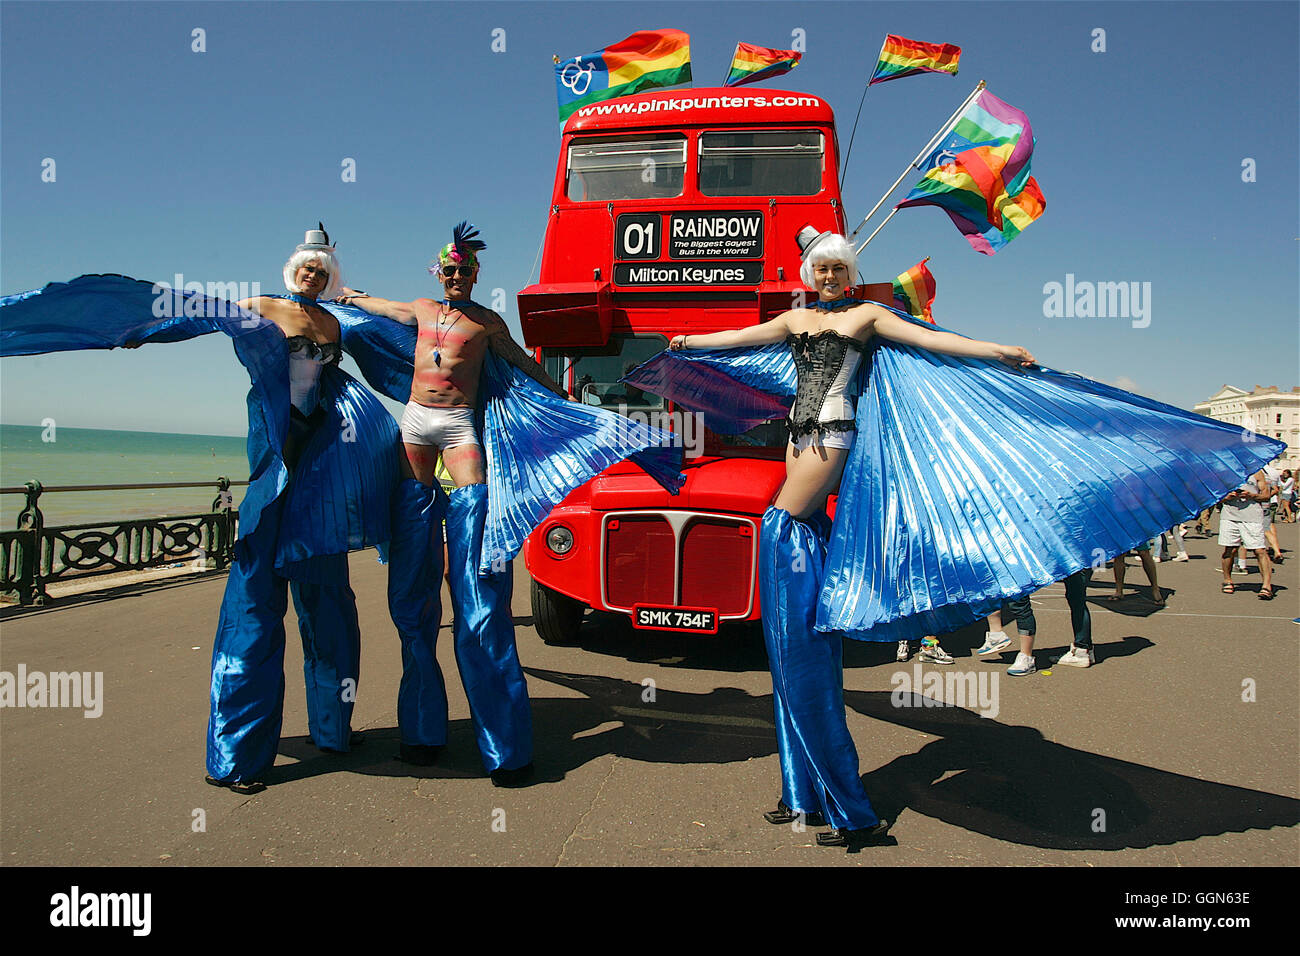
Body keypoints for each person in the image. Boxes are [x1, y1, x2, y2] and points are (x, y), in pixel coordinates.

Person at [666, 228, 1034, 847]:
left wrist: (997, 350)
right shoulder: (796, 319)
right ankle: (801, 786)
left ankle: (849, 807)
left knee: (779, 524)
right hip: (796, 434)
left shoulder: (868, 315)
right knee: (795, 530)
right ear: (809, 272)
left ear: (850, 273)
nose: (831, 277)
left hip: (831, 433)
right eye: (822, 268)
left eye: (839, 268)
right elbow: (737, 339)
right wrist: (688, 342)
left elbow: (931, 340)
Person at [336, 222, 573, 786]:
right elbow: (378, 309)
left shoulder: (487, 322)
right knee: (414, 570)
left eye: (465, 271)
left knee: (476, 552)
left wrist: (560, 396)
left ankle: (504, 747)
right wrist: (345, 297)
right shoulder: (421, 308)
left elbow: (518, 361)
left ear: (475, 276)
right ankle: (421, 733)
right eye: (449, 270)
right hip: (416, 423)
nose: (457, 276)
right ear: (437, 273)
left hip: (460, 424)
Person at [1220, 470, 1275, 599]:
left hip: (1252, 517)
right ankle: (1227, 580)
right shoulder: (1226, 470)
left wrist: (1251, 495)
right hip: (1230, 516)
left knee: (1259, 550)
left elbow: (1266, 495)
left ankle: (1266, 586)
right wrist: (1227, 497)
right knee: (1230, 549)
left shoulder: (1257, 472)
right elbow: (1217, 496)